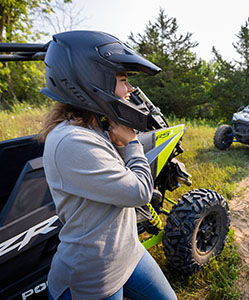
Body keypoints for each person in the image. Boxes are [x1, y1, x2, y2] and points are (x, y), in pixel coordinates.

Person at [39, 31, 177, 300]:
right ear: (91, 79)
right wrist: (132, 143)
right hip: (94, 276)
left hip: (128, 251)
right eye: (123, 80)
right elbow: (138, 192)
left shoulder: (95, 126)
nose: (130, 90)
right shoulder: (72, 141)